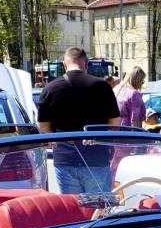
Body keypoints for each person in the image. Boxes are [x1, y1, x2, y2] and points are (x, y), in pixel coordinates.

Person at [36, 47, 121, 194]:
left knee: (73, 206)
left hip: (65, 159)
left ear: (64, 65)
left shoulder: (50, 89)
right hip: (97, 158)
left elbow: (43, 128)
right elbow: (114, 124)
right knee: (99, 206)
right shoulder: (102, 87)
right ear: (86, 64)